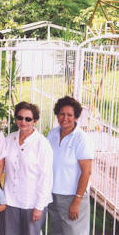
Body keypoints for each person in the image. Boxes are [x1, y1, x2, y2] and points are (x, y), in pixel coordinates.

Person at [3, 101, 53, 235]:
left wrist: (39, 206)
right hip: (10, 201)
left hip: (32, 203)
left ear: (35, 121)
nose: (23, 122)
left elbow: (46, 177)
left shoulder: (42, 144)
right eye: (20, 117)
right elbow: (0, 167)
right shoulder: (9, 139)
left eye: (28, 119)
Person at [47, 96, 94, 235]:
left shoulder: (82, 139)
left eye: (69, 115)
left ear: (76, 117)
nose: (64, 118)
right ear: (57, 114)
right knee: (56, 232)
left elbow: (87, 172)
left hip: (72, 197)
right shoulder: (52, 133)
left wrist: (77, 201)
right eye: (61, 114)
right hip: (53, 195)